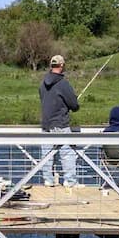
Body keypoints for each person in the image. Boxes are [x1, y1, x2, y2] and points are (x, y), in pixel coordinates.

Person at [38, 54, 80, 188]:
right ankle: (70, 181)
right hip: (60, 123)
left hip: (46, 124)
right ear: (61, 66)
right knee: (67, 153)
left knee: (47, 155)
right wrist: (74, 104)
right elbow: (74, 105)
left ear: (51, 66)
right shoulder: (63, 84)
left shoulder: (42, 84)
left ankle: (48, 180)